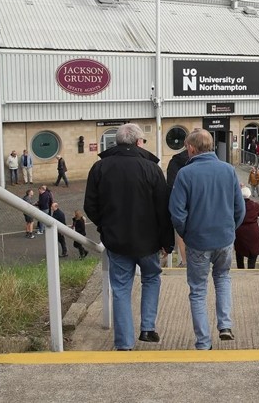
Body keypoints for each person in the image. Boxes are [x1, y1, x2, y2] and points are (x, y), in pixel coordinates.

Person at [84, 123, 174, 351]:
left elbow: (90, 206)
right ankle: (147, 328)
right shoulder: (152, 169)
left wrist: (105, 226)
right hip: (149, 241)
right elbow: (163, 209)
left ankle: (124, 343)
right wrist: (166, 242)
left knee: (121, 287)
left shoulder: (99, 168)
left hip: (116, 241)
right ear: (138, 142)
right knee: (151, 278)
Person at [169, 129, 245, 350]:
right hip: (224, 239)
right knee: (222, 278)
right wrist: (230, 230)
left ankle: (203, 342)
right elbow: (239, 208)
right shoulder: (228, 170)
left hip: (198, 241)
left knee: (198, 289)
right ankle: (225, 325)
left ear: (191, 148)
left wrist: (187, 233)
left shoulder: (185, 174)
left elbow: (177, 212)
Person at [234, 187, 259, 269]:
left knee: (239, 252)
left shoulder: (237, 205)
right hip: (253, 231)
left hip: (240, 231)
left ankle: (240, 269)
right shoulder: (254, 205)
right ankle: (251, 269)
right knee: (253, 254)